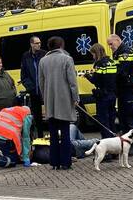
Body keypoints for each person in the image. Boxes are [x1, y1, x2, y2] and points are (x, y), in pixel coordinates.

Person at [37, 36, 78, 170]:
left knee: (53, 133)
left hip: (50, 101)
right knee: (65, 132)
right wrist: (75, 98)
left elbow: (41, 82)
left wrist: (45, 98)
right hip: (64, 100)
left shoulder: (43, 61)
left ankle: (54, 162)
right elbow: (72, 81)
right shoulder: (67, 59)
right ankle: (66, 162)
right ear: (61, 46)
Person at [108, 33, 133, 132]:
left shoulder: (125, 52)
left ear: (117, 40)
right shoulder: (118, 51)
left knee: (129, 115)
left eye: (111, 44)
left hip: (129, 88)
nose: (110, 46)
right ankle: (126, 138)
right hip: (124, 88)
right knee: (123, 115)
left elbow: (121, 71)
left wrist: (109, 77)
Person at [84, 43, 117, 137]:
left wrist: (87, 76)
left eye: (93, 54)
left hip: (103, 96)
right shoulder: (111, 62)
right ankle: (114, 140)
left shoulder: (99, 64)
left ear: (96, 53)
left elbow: (96, 81)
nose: (93, 56)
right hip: (112, 94)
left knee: (103, 120)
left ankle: (106, 140)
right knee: (111, 119)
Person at [19, 37, 46, 138]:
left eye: (40, 43)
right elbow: (23, 75)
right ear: (31, 44)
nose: (39, 45)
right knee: (37, 116)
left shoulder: (44, 54)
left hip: (45, 89)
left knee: (51, 114)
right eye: (36, 43)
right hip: (34, 91)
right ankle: (40, 137)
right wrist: (30, 87)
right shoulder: (26, 56)